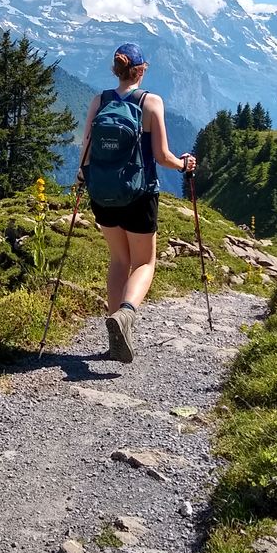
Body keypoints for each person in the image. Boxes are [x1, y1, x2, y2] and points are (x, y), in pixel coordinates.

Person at [80, 42, 196, 363]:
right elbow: (162, 156)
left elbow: (86, 149)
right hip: (139, 195)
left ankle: (114, 337)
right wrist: (184, 165)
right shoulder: (150, 102)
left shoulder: (99, 101)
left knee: (119, 260)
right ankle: (126, 314)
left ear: (115, 70)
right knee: (145, 262)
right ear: (141, 70)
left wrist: (82, 179)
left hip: (102, 195)